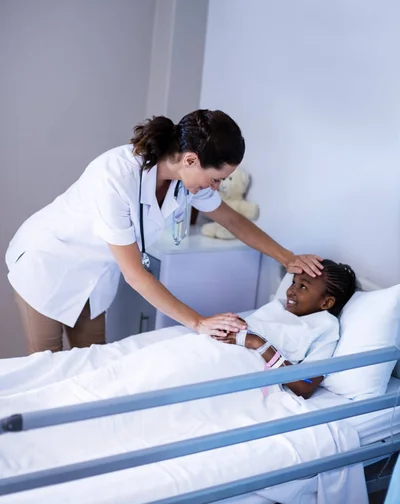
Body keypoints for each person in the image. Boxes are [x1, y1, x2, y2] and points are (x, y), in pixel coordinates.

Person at [5, 109, 323, 354]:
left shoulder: (185, 180)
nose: (216, 188)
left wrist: (288, 257)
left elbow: (232, 220)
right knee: (48, 365)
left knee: (93, 363)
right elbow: (135, 275)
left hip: (94, 275)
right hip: (49, 262)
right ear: (190, 159)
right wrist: (198, 322)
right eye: (215, 179)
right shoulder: (115, 175)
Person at [220, 259, 357, 399]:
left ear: (326, 302)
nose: (291, 291)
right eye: (293, 282)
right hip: (218, 349)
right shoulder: (277, 307)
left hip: (232, 367)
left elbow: (305, 386)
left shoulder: (325, 328)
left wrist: (259, 344)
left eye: (303, 287)